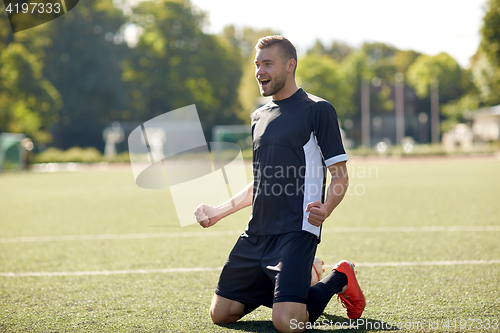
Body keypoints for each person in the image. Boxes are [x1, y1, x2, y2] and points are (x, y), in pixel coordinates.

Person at [194, 36, 365, 333]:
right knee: (221, 313)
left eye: (267, 64)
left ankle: (339, 276)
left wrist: (326, 207)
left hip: (296, 231)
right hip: (257, 231)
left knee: (288, 323)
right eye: (257, 64)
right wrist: (219, 211)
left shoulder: (317, 109)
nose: (260, 71)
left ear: (290, 65)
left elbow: (340, 175)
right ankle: (292, 283)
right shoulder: (258, 116)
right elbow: (260, 183)